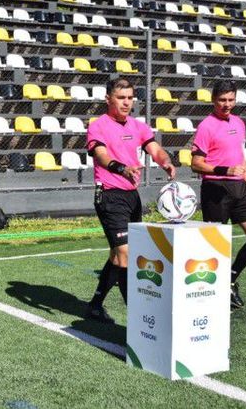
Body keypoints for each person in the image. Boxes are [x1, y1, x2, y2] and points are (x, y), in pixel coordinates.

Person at [85, 78, 176, 323]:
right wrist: (121, 168)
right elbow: (101, 156)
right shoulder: (98, 126)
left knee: (119, 255)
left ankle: (95, 304)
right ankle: (137, 316)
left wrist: (165, 161)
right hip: (109, 194)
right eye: (121, 98)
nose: (126, 103)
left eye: (129, 98)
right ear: (108, 99)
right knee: (125, 254)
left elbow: (155, 149)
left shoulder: (138, 126)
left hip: (131, 196)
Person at [190, 80, 246, 310]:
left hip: (240, 188)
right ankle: (209, 290)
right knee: (216, 247)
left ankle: (230, 279)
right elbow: (195, 164)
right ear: (214, 100)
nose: (227, 104)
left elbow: (240, 157)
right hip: (215, 189)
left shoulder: (239, 123)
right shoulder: (206, 126)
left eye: (231, 100)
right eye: (222, 100)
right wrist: (225, 170)